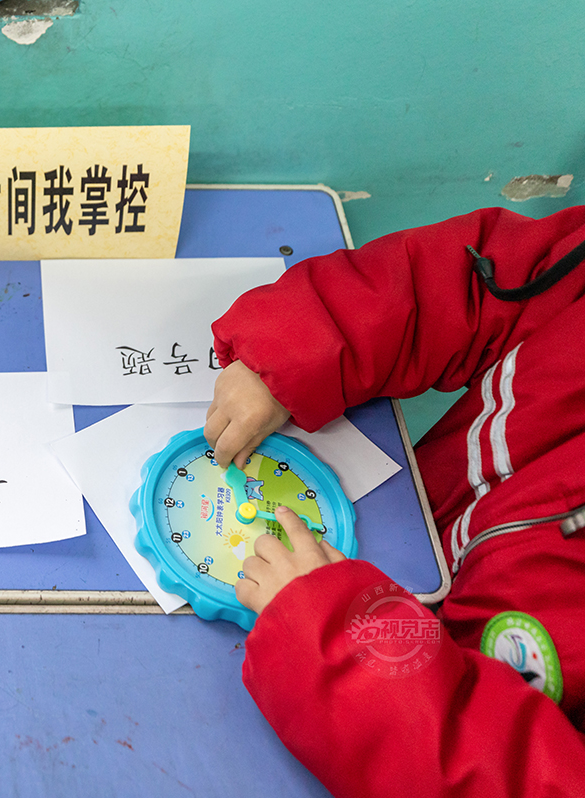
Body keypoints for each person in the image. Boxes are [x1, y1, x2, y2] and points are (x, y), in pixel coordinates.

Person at [203, 203, 585, 796]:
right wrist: (295, 348)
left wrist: (339, 638)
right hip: (408, 533)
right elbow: (473, 287)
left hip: (386, 699)